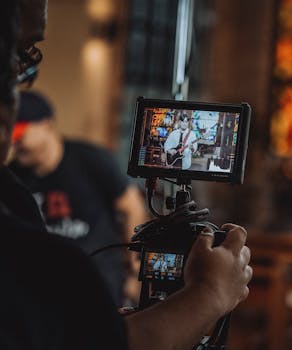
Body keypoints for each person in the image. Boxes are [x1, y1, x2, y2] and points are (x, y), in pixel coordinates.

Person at [0, 1, 252, 349]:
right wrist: (210, 293)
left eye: (26, 57)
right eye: (18, 57)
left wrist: (134, 279)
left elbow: (130, 210)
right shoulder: (44, 256)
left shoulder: (79, 166)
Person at [8, 90, 147, 306]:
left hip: (99, 284)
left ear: (46, 125)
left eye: (19, 136)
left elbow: (131, 207)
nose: (14, 144)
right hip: (42, 291)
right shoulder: (12, 176)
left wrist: (133, 270)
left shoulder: (90, 160)